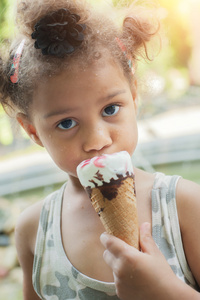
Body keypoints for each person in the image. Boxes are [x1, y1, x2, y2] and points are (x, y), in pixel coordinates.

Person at [0, 0, 199, 299]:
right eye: (66, 123)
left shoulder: (183, 206)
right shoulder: (34, 232)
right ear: (33, 131)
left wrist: (167, 292)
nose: (97, 139)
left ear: (133, 97)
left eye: (110, 109)